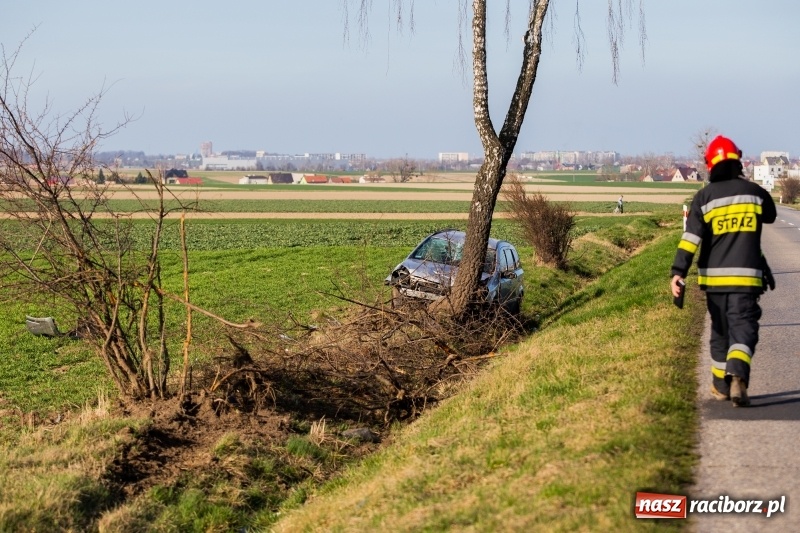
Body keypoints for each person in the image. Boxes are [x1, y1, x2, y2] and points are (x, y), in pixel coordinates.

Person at [670, 135, 776, 407]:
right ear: (738, 161)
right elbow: (771, 215)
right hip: (746, 279)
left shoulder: (704, 197)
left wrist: (677, 272)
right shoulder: (754, 192)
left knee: (720, 332)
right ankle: (738, 374)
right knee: (743, 328)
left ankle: (720, 386)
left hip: (714, 282)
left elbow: (690, 239)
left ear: (710, 165)